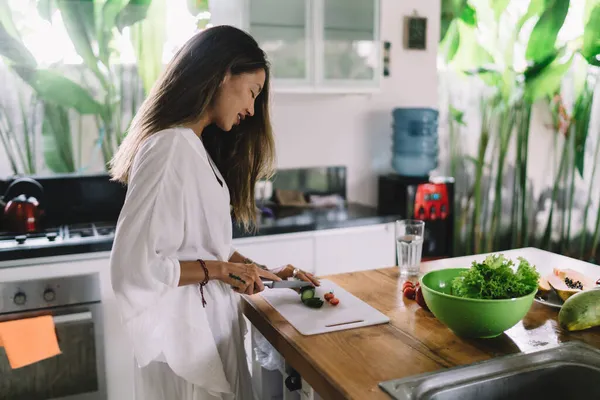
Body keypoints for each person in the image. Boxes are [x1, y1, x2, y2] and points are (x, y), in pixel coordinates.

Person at [108, 25, 320, 400]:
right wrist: (223, 270)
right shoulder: (169, 148)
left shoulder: (193, 147)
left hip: (207, 333)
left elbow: (203, 248)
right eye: (252, 93)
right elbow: (134, 266)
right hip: (185, 345)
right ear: (224, 74)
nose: (252, 109)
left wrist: (267, 274)